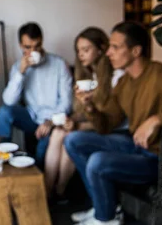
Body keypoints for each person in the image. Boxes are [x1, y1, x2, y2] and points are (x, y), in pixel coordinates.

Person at [64, 21, 162, 225]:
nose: (108, 52)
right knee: (74, 140)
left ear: (136, 51)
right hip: (135, 146)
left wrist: (157, 119)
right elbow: (106, 125)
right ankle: (103, 206)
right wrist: (89, 107)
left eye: (115, 47)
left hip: (158, 158)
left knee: (98, 160)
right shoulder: (125, 82)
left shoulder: (161, 75)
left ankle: (106, 220)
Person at [43, 27, 124, 201]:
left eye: (86, 50)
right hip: (95, 124)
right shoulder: (89, 75)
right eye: (78, 50)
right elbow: (85, 112)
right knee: (58, 132)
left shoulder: (113, 77)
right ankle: (49, 190)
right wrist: (71, 120)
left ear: (101, 49)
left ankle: (57, 190)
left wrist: (78, 125)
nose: (81, 55)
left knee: (69, 138)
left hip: (112, 129)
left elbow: (108, 120)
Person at [0, 22, 72, 163]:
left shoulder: (59, 64)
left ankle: (37, 179)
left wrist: (51, 121)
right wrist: (21, 72)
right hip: (31, 116)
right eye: (27, 47)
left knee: (40, 153)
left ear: (42, 42)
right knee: (4, 112)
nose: (33, 51)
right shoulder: (19, 66)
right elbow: (8, 101)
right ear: (20, 45)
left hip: (52, 120)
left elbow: (67, 102)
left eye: (37, 46)